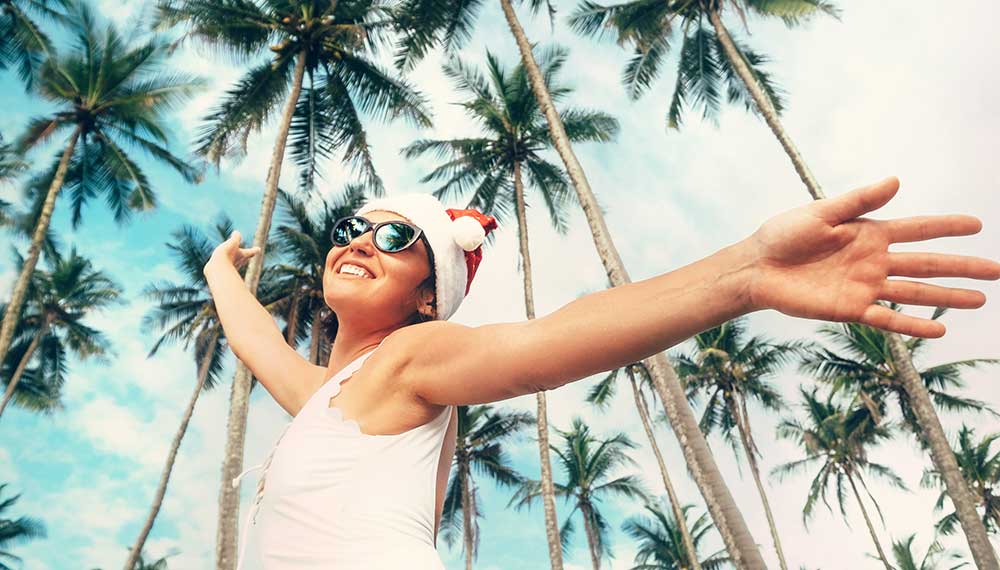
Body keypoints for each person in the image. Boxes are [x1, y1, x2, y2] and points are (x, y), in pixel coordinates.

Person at [204, 177, 999, 569]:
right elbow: (258, 343)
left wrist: (747, 273)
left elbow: (550, 341)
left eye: (396, 237)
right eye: (352, 227)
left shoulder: (409, 359)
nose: (360, 240)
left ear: (426, 301)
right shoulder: (329, 400)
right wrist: (219, 272)